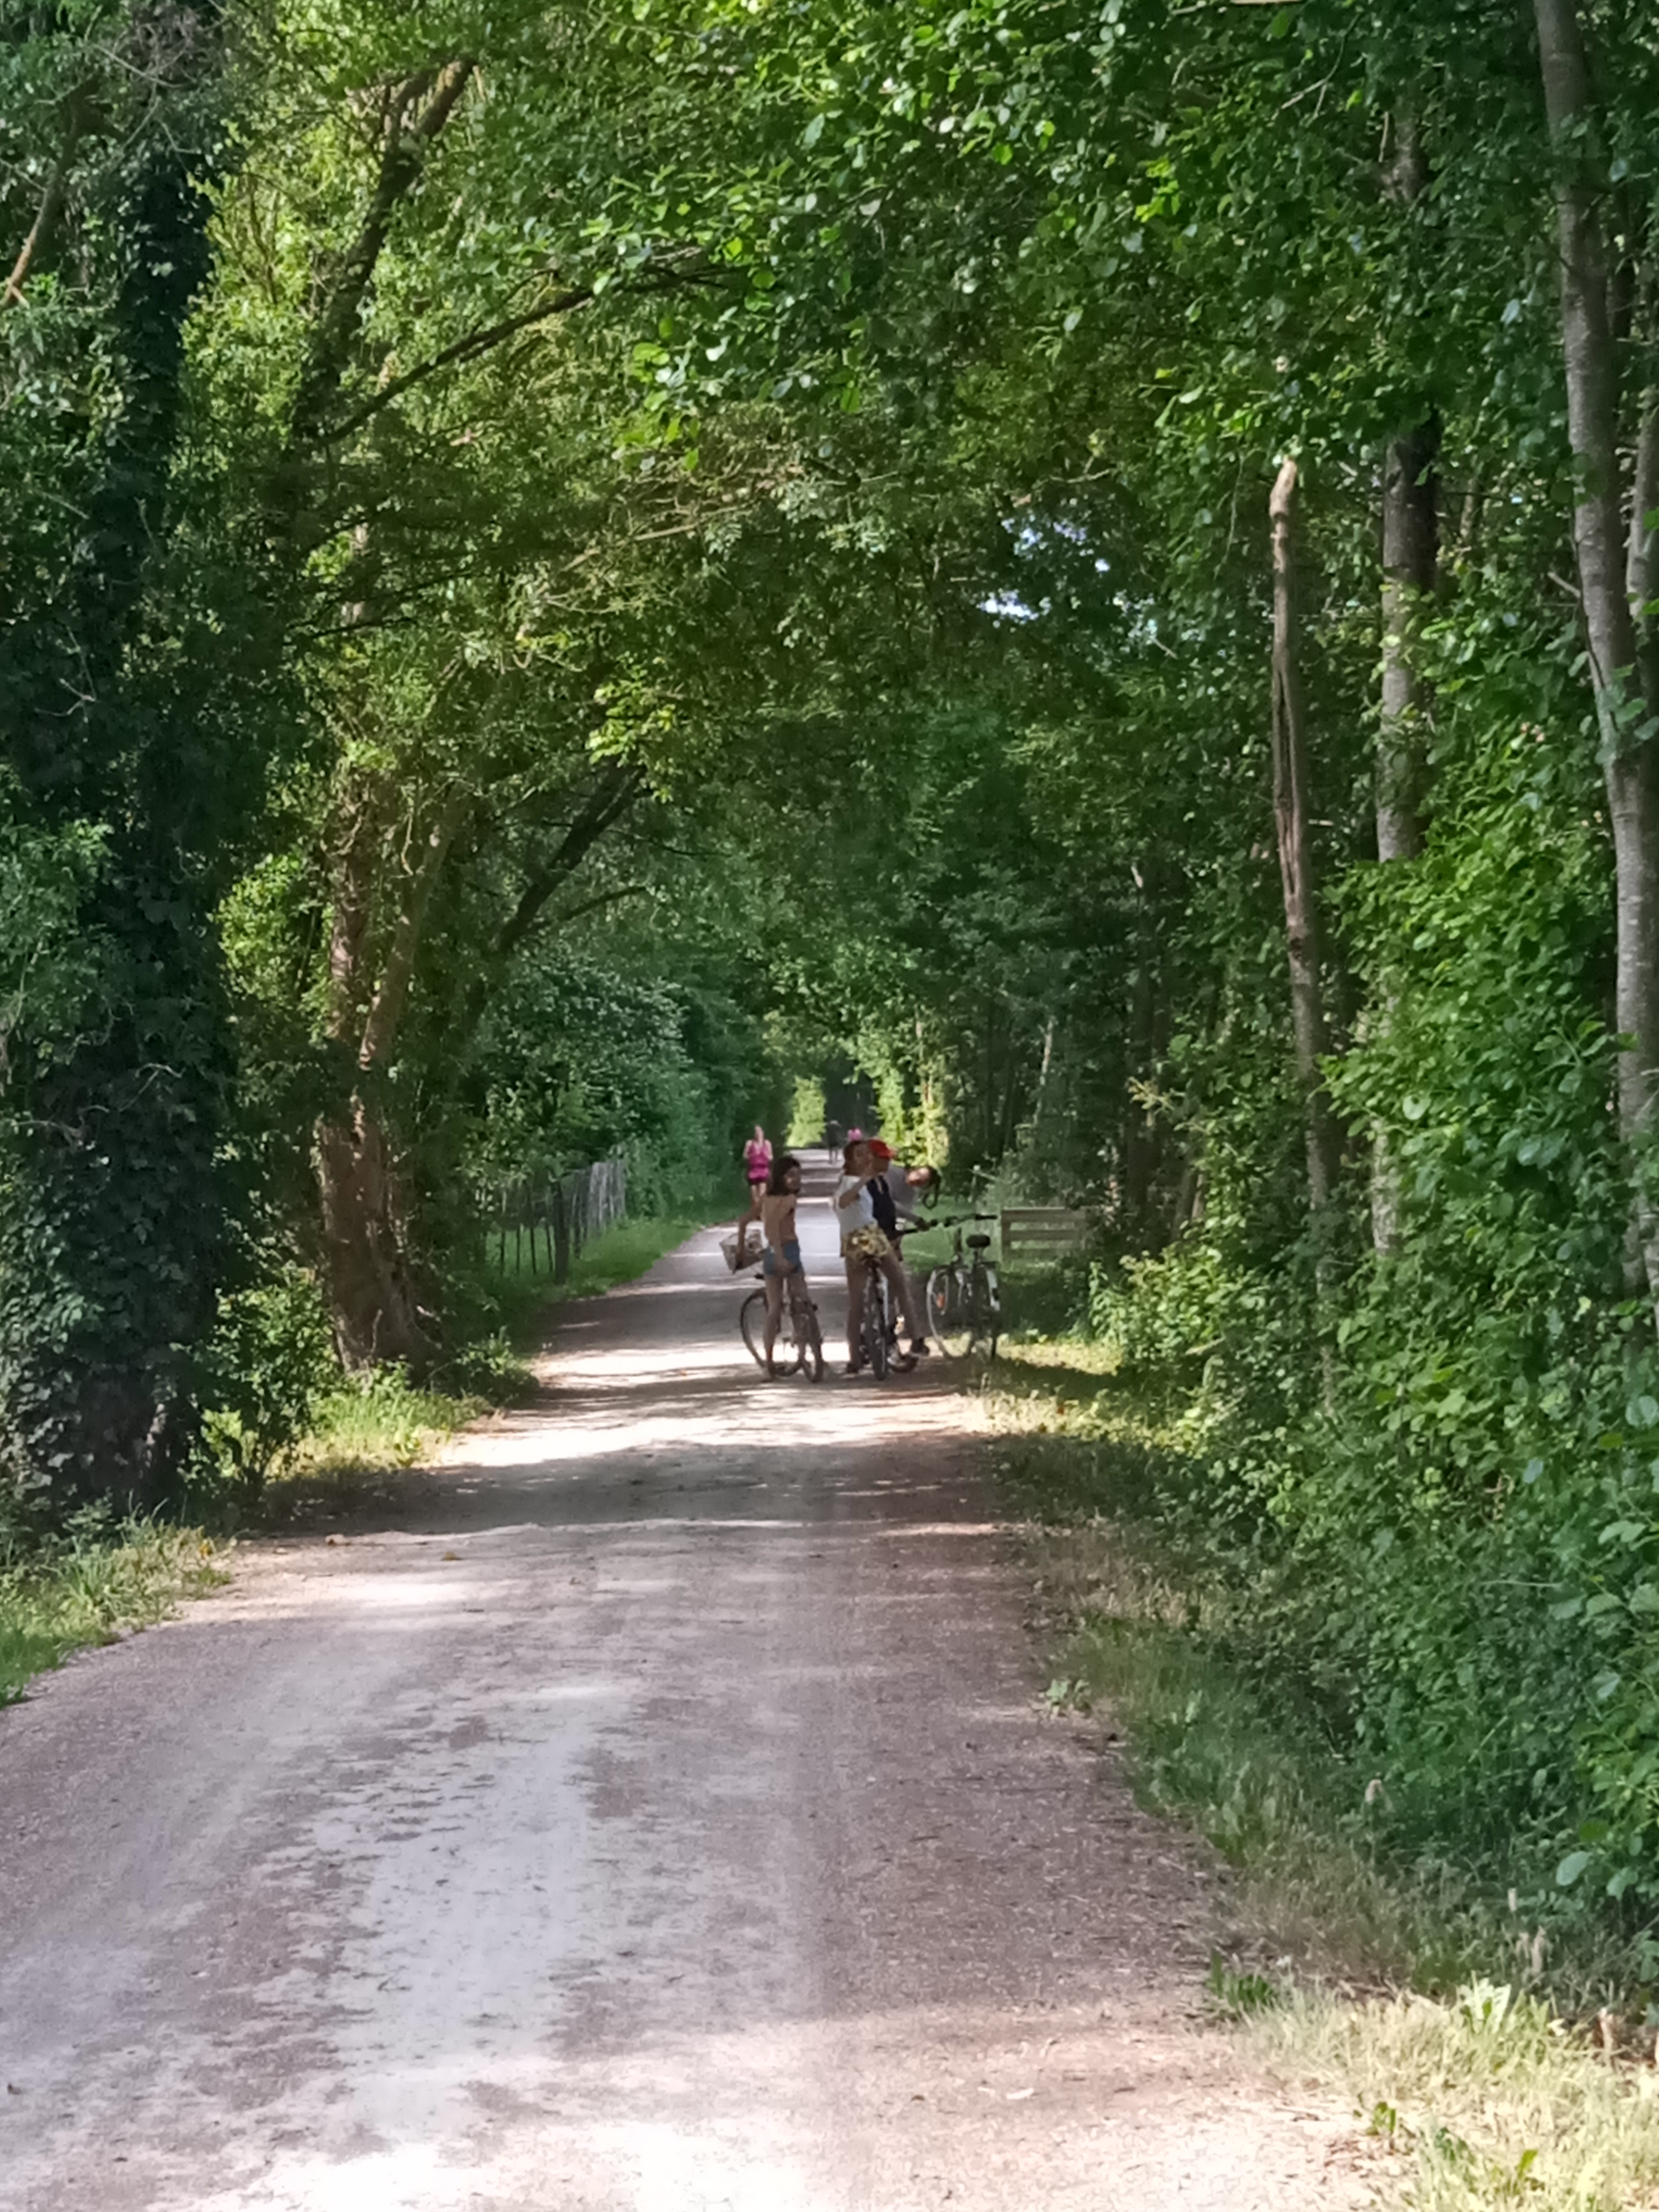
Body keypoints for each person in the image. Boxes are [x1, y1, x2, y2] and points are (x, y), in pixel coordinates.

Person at [836, 1137, 928, 1373]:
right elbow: (843, 1202)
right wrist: (862, 1183)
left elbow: (886, 1207)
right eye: (860, 1155)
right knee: (860, 1300)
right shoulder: (851, 1182)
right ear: (850, 1160)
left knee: (897, 1284)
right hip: (863, 1237)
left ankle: (914, 1339)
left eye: (868, 1154)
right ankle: (855, 1355)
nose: (866, 1158)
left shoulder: (878, 1181)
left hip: (868, 1235)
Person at [759, 1153, 804, 1376]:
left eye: (798, 1175)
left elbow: (745, 1220)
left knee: (774, 1308)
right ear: (781, 1177)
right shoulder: (789, 1200)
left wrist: (740, 1245)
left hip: (769, 1253)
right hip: (787, 1251)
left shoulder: (765, 1198)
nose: (796, 1180)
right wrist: (780, 1256)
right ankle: (808, 1351)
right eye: (791, 1175)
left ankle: (767, 1363)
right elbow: (773, 1228)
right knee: (802, 1301)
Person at [742, 1124, 772, 1222]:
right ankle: (756, 1213)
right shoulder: (750, 1144)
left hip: (763, 1171)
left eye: (760, 1132)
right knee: (755, 1196)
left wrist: (767, 1156)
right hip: (753, 1171)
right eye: (756, 1132)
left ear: (763, 1133)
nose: (758, 1134)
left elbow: (771, 1157)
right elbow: (745, 1156)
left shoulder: (767, 1144)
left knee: (762, 1194)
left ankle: (762, 1214)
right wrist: (751, 1156)